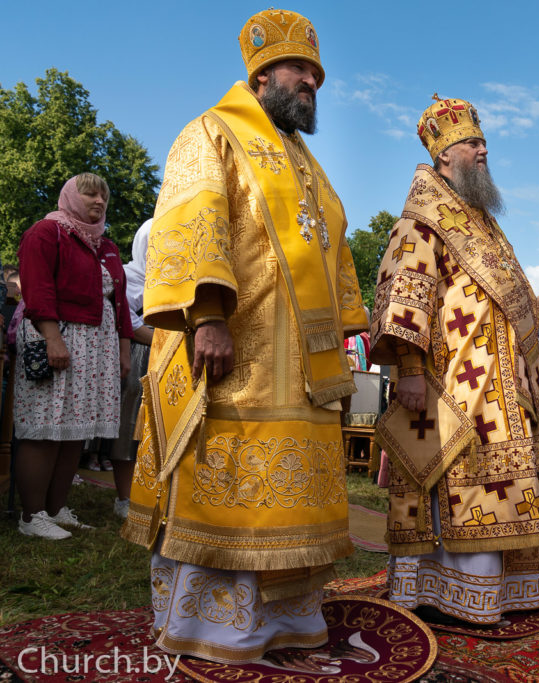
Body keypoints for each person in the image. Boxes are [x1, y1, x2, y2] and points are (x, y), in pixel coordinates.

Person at [121, 10, 367, 670]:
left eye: (317, 73)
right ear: (260, 75)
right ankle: (219, 626)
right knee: (229, 483)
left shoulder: (310, 166)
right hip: (234, 347)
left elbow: (333, 256)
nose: (312, 81)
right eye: (299, 71)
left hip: (303, 368)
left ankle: (286, 623)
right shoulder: (213, 131)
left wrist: (342, 338)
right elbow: (194, 219)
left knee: (292, 496)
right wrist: (205, 315)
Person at [369, 94, 539, 625]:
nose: (483, 150)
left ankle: (497, 590)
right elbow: (406, 290)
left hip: (502, 383)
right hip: (449, 378)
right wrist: (408, 369)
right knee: (452, 475)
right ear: (444, 154)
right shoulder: (422, 218)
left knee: (502, 481)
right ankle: (445, 589)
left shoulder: (483, 223)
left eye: (483, 142)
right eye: (472, 142)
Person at [15, 173, 132, 540]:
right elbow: (37, 288)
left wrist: (124, 348)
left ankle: (55, 508)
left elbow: (121, 304)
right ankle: (31, 516)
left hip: (97, 345)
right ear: (70, 196)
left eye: (103, 196)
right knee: (46, 427)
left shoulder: (105, 245)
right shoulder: (46, 233)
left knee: (74, 430)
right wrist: (52, 339)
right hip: (60, 336)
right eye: (90, 194)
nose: (98, 201)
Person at [110, 219, 154, 519]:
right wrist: (163, 341)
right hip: (139, 354)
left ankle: (155, 497)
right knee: (129, 426)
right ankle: (125, 499)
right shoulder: (129, 276)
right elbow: (126, 318)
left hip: (171, 357)